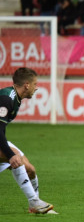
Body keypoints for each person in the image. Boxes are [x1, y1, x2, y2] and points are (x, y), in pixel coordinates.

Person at [0, 68, 54, 214]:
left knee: (30, 170)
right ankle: (35, 203)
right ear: (26, 85)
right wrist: (10, 155)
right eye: (35, 84)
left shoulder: (15, 99)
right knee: (16, 159)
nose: (37, 88)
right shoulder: (7, 99)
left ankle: (35, 204)